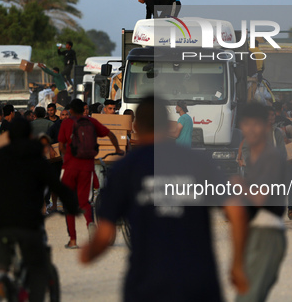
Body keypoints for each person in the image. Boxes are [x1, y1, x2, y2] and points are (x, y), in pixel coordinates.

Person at [81, 95, 247, 301]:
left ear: (136, 126)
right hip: (199, 283)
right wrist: (237, 265)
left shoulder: (125, 169)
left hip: (147, 285)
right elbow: (237, 211)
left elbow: (105, 234)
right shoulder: (198, 162)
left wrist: (88, 254)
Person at [0, 117, 79, 302]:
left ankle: (1, 276)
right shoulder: (36, 158)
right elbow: (58, 187)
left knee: (5, 237)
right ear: (30, 135)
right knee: (37, 263)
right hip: (28, 221)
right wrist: (72, 207)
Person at [235, 103, 288, 302]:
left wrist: (238, 186)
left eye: (256, 124)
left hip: (267, 234)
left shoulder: (271, 157)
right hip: (255, 232)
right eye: (246, 124)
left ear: (266, 126)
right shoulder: (254, 156)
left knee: (248, 297)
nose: (251, 129)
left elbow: (259, 197)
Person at [58, 99, 123, 248]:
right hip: (87, 167)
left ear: (71, 111)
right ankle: (90, 224)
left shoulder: (66, 123)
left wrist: (67, 155)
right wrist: (118, 149)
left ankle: (73, 240)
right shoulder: (92, 122)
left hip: (69, 167)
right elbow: (111, 134)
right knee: (85, 202)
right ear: (84, 109)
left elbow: (61, 145)